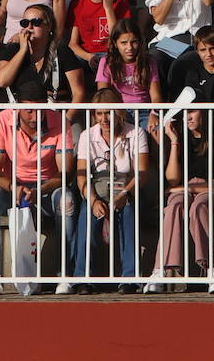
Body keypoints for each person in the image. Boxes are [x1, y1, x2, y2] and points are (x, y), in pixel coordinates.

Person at [0, 79, 79, 294]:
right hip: (11, 186)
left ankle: (65, 275)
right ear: (18, 107)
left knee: (67, 200)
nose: (35, 117)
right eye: (29, 111)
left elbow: (65, 174)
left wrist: (39, 190)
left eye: (40, 110)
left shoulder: (60, 122)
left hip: (48, 187)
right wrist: (15, 187)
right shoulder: (1, 120)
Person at [145, 105, 214, 293]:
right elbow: (172, 179)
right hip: (181, 191)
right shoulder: (180, 137)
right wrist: (174, 141)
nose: (188, 117)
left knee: (199, 207)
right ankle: (159, 270)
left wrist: (187, 188)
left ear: (205, 112)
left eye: (192, 112)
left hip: (209, 191)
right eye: (185, 113)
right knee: (174, 206)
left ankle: (211, 270)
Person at [72, 89, 149, 293]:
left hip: (128, 189)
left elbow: (142, 174)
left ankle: (130, 278)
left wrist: (124, 194)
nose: (104, 119)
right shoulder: (87, 135)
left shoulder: (136, 132)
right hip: (97, 188)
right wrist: (93, 199)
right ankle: (83, 278)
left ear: (119, 112)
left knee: (129, 212)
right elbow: (81, 175)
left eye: (109, 112)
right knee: (87, 214)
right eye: (99, 113)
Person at [0, 3, 87, 104]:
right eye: (25, 23)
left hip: (56, 115)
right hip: (21, 116)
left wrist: (66, 119)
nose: (29, 27)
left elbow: (79, 93)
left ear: (49, 26)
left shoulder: (62, 52)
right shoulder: (12, 50)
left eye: (36, 22)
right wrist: (22, 51)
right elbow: (2, 81)